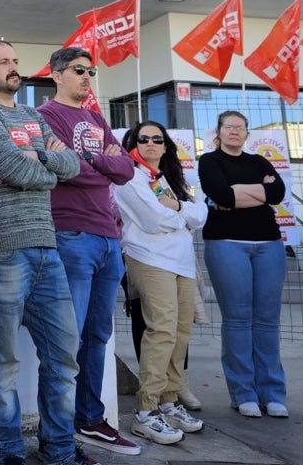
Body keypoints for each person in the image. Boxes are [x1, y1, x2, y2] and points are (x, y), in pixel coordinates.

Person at [0, 40, 91, 465]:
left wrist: (36, 161)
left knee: (64, 357)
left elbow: (72, 166)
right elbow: (17, 170)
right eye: (4, 62)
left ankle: (59, 450)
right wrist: (43, 162)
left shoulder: (32, 115)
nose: (14, 68)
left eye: (16, 61)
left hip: (46, 250)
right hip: (1, 252)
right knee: (2, 362)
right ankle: (11, 452)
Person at [36, 47, 140, 457]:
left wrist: (89, 159)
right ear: (57, 74)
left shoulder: (96, 118)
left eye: (91, 71)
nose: (87, 77)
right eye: (80, 70)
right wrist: (101, 161)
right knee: (68, 338)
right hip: (71, 235)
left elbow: (127, 170)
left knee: (97, 336)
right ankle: (59, 436)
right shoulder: (47, 117)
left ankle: (89, 419)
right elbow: (64, 167)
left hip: (108, 238)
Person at [118, 122, 208, 445]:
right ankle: (146, 411)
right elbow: (152, 220)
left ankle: (169, 402)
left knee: (181, 332)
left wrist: (180, 208)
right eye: (144, 139)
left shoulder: (167, 179)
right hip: (150, 259)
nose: (151, 144)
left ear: (167, 145)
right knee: (162, 331)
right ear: (133, 143)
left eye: (158, 139)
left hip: (181, 262)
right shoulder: (129, 175)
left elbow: (202, 213)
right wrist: (183, 217)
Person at [198, 110, 289, 418]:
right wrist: (256, 193)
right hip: (227, 244)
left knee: (267, 319)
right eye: (228, 127)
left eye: (240, 127)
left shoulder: (259, 162)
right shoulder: (210, 161)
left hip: (269, 245)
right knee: (237, 319)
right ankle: (243, 392)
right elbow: (220, 193)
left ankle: (273, 393)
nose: (234, 131)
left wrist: (238, 194)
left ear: (247, 133)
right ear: (219, 132)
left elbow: (277, 193)